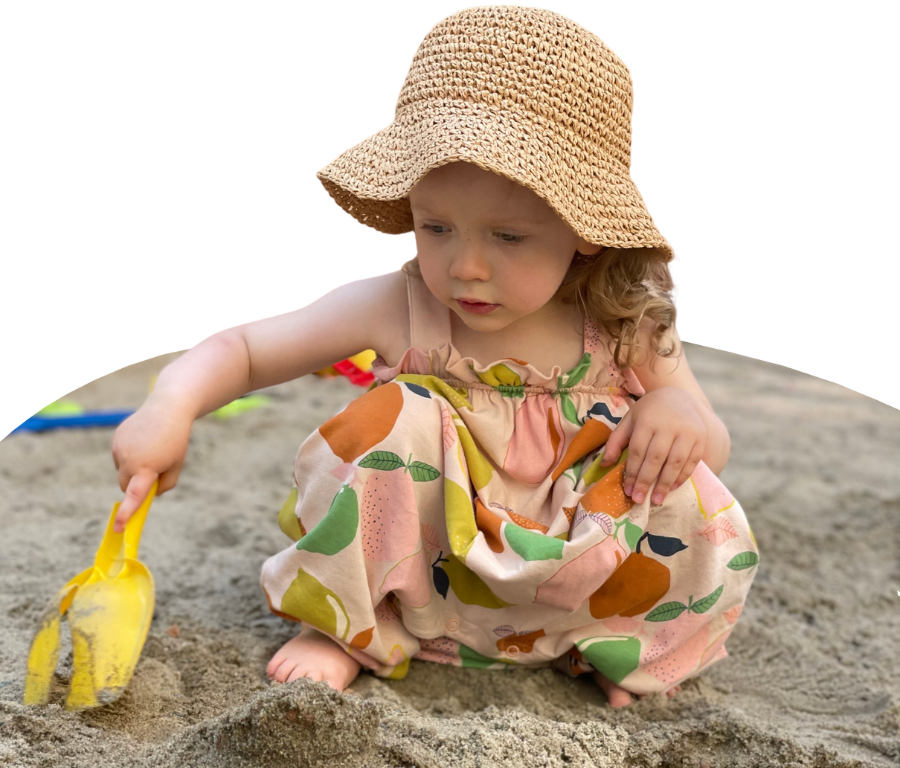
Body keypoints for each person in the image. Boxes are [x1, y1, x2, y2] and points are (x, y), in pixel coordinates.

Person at [111, 6, 759, 708]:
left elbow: (711, 452)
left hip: (578, 575)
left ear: (587, 232)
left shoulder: (626, 321)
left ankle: (615, 642)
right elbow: (243, 349)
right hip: (435, 578)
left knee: (692, 493)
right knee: (392, 418)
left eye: (508, 237)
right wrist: (169, 404)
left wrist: (674, 411)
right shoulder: (401, 303)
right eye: (436, 226)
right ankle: (348, 631)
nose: (465, 267)